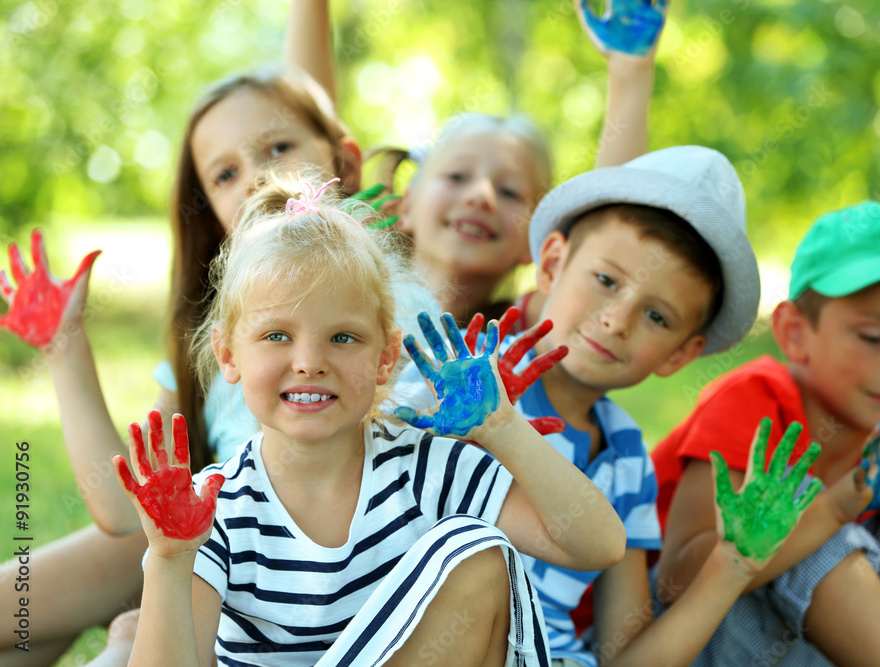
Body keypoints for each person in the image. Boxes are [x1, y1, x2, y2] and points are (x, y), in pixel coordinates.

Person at [113, 174, 625, 666]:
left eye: (343, 337)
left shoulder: (428, 471)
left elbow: (599, 545)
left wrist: (502, 429)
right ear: (228, 355)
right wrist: (170, 560)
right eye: (276, 336)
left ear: (385, 358)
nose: (309, 361)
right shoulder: (215, 511)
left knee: (475, 549)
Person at [0, 2, 361, 664]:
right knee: (17, 620)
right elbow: (119, 504)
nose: (257, 176)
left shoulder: (378, 293)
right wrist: (64, 347)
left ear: (345, 159)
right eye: (224, 174)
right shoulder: (210, 339)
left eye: (279, 148)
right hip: (203, 537)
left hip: (287, 578)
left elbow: (315, 108)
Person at [397, 144, 837, 666]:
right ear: (554, 263)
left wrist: (733, 565)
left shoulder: (628, 463)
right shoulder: (467, 379)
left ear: (682, 353)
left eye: (658, 316)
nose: (617, 319)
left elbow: (627, 657)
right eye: (606, 281)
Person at [653, 200, 880, 665]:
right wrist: (828, 512)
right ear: (795, 332)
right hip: (692, 642)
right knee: (794, 514)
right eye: (875, 338)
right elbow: (675, 582)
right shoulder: (753, 404)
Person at [372, 0, 670, 329]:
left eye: (510, 192)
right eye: (457, 176)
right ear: (407, 204)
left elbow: (611, 237)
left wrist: (630, 74)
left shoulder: (525, 332)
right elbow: (307, 113)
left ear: (537, 241)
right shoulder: (345, 286)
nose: (480, 196)